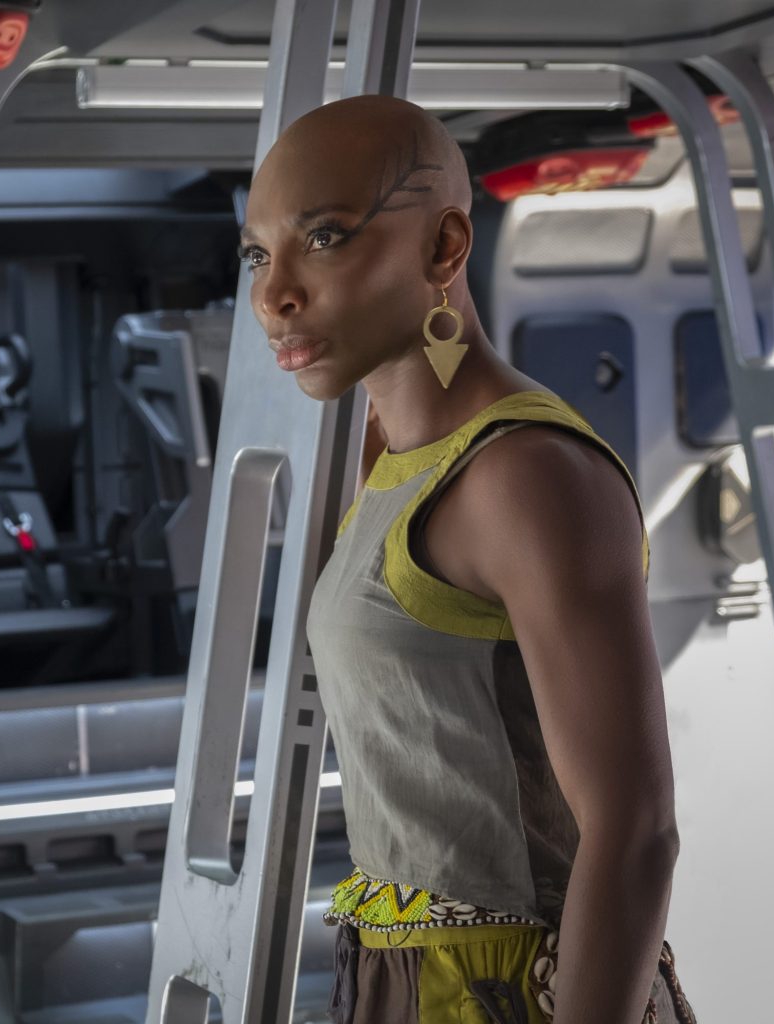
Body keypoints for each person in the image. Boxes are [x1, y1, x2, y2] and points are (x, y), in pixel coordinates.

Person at [240, 94, 697, 1024]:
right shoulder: (384, 453)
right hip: (395, 979)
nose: (274, 294)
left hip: (512, 991)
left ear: (444, 248)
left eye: (323, 238)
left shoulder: (525, 474)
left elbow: (636, 832)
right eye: (257, 254)